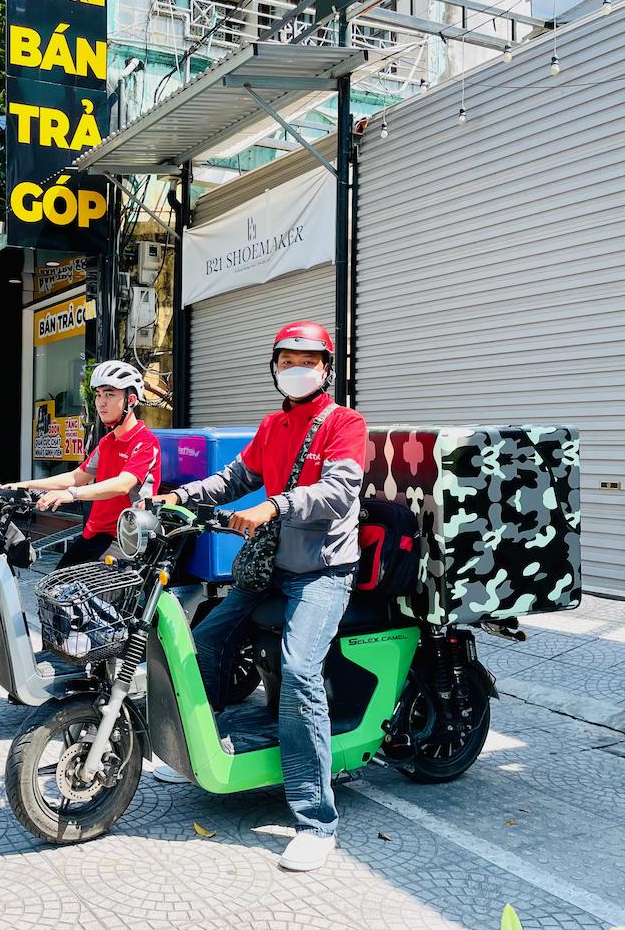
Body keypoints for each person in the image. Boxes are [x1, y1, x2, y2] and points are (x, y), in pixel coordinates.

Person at [152, 321, 368, 873]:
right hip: (272, 567)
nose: (296, 368)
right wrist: (176, 497)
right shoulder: (273, 425)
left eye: (308, 359)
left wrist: (273, 507)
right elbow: (231, 480)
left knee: (299, 672)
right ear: (274, 366)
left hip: (322, 572)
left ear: (326, 367)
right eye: (286, 358)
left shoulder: (344, 423)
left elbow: (339, 492)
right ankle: (202, 745)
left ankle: (316, 822)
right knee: (199, 642)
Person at [5, 361, 161, 569]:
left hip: (125, 541)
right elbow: (77, 476)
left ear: (130, 400)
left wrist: (73, 494)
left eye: (109, 394)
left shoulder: (145, 442)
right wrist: (25, 485)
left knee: (85, 598)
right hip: (95, 535)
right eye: (98, 395)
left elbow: (124, 483)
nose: (101, 402)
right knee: (55, 590)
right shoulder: (107, 443)